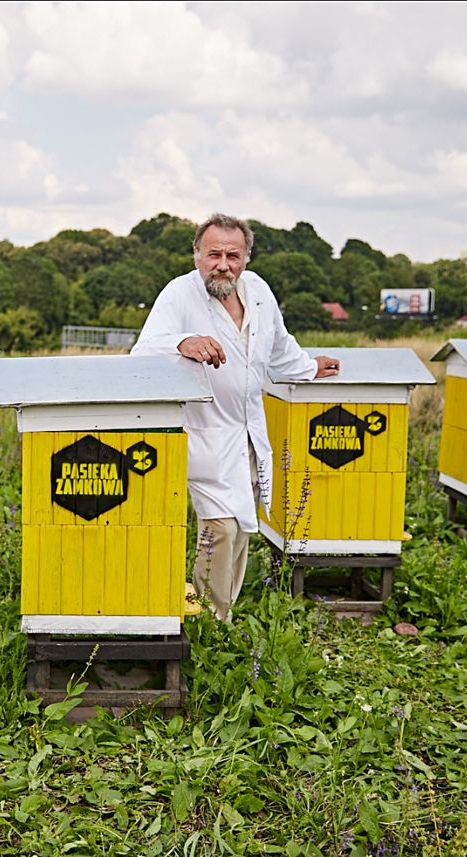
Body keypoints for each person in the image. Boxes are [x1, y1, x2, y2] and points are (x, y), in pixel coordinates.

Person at [131, 213, 339, 622]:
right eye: (213, 254)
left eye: (232, 255)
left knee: (242, 527)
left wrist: (310, 367)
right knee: (220, 528)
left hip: (248, 432)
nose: (223, 264)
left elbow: (279, 348)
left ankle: (221, 615)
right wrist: (183, 342)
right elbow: (143, 352)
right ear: (196, 255)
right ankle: (208, 618)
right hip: (203, 432)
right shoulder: (179, 294)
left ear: (246, 257)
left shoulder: (259, 291)